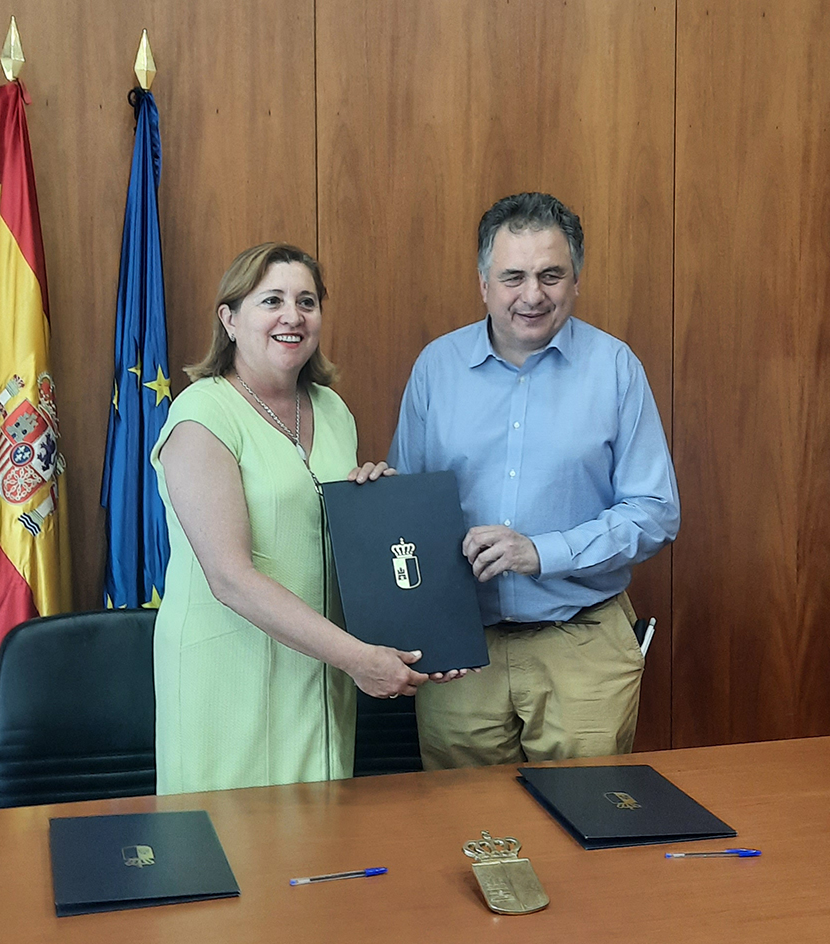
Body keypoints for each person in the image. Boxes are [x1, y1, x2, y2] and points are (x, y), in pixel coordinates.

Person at [151, 242, 459, 796]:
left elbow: (334, 539)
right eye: (271, 300)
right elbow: (229, 577)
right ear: (230, 318)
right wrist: (360, 659)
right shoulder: (201, 414)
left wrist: (373, 508)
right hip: (229, 674)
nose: (292, 316)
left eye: (307, 301)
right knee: (236, 859)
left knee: (316, 853)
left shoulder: (333, 410)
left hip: (319, 672)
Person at [388, 193, 680, 768]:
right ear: (483, 283)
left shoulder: (616, 368)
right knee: (468, 833)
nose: (532, 295)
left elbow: (655, 510)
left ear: (575, 280)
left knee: (586, 827)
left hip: (583, 644)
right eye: (513, 276)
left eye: (551, 275)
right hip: (459, 653)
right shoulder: (435, 369)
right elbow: (408, 514)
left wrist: (542, 553)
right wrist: (381, 493)